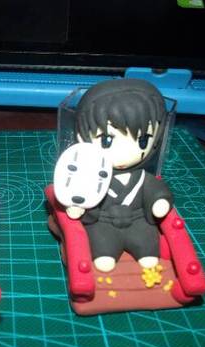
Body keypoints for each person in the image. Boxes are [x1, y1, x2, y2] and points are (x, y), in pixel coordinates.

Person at [72, 79, 173, 273]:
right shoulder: (93, 177)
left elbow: (156, 190)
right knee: (103, 252)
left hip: (138, 222)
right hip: (103, 224)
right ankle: (105, 253)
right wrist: (79, 207)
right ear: (81, 138)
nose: (125, 154)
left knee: (148, 249)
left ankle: (144, 251)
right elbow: (84, 197)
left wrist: (159, 201)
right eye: (106, 141)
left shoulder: (142, 177)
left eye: (143, 140)